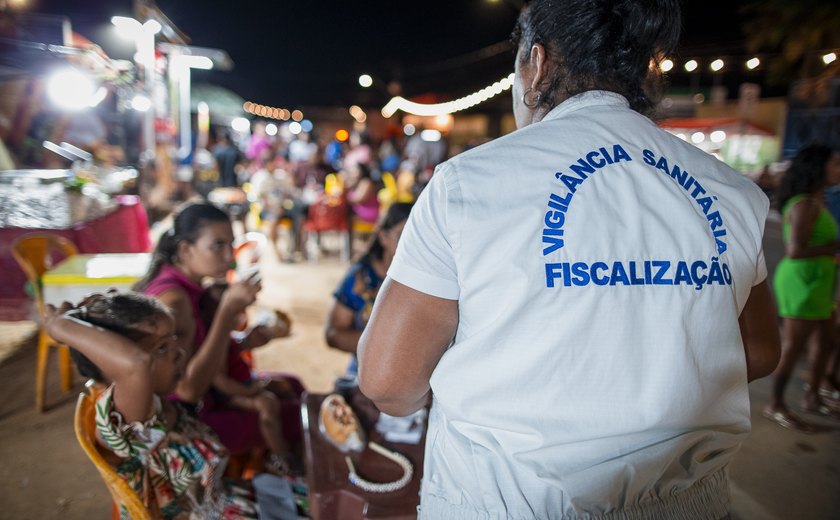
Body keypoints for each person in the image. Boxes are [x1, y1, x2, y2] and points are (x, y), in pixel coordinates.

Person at [358, 1, 780, 518]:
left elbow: (387, 381)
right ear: (647, 73)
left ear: (536, 64)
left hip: (509, 502)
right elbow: (757, 351)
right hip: (687, 504)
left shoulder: (468, 185)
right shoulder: (731, 192)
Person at [44, 292, 298, 519]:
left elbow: (137, 362)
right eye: (162, 348)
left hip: (226, 500)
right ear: (114, 367)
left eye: (174, 340)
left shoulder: (156, 404)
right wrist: (60, 325)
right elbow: (136, 363)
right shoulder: (129, 421)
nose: (180, 354)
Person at [134, 202, 302, 473]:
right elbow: (188, 390)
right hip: (185, 423)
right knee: (301, 417)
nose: (229, 257)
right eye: (217, 246)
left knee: (292, 385)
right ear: (185, 250)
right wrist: (227, 313)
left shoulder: (191, 287)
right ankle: (287, 476)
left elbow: (200, 352)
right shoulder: (174, 301)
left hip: (209, 398)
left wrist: (243, 342)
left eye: (231, 245)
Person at [767, 145, 840, 431]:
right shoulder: (804, 205)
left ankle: (812, 396)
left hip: (819, 283)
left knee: (826, 342)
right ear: (817, 168)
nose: (838, 170)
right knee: (793, 347)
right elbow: (796, 250)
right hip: (802, 283)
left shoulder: (816, 200)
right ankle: (775, 404)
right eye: (834, 164)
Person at [325, 202, 413, 376]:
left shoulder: (430, 281)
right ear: (383, 237)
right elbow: (334, 334)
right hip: (364, 375)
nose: (410, 244)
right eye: (402, 235)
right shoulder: (362, 278)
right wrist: (388, 346)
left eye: (417, 237)